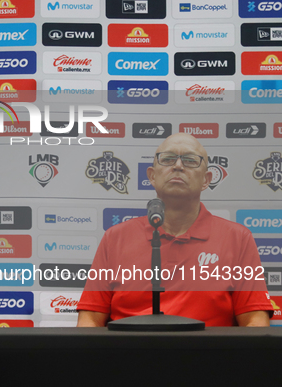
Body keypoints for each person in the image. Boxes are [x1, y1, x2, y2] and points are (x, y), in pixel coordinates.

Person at [77, 133, 273, 327]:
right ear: (152, 176)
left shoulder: (237, 238)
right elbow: (90, 319)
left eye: (190, 160)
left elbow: (255, 320)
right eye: (168, 159)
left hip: (209, 356)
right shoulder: (116, 237)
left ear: (206, 180)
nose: (178, 166)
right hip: (130, 355)